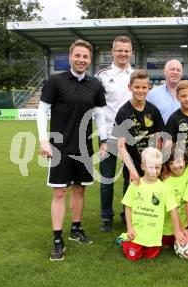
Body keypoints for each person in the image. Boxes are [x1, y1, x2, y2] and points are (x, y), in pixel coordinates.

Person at [37, 39, 107, 261]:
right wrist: (42, 140)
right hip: (59, 147)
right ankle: (57, 239)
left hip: (84, 147)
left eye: (85, 57)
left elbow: (100, 115)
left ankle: (76, 229)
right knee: (59, 192)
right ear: (70, 57)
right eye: (78, 55)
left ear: (89, 60)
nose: (81, 59)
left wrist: (103, 140)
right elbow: (42, 112)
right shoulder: (55, 81)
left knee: (79, 189)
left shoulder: (95, 85)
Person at [117, 147, 186, 261]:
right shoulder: (135, 185)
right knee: (133, 257)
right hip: (136, 233)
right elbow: (128, 207)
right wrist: (129, 227)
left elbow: (173, 210)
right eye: (150, 167)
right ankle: (124, 240)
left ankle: (144, 245)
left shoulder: (164, 188)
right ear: (143, 166)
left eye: (157, 167)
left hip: (154, 236)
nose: (154, 170)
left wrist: (177, 231)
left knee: (150, 256)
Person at [95, 36, 134, 232]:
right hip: (108, 138)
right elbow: (98, 110)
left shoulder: (136, 75)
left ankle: (126, 215)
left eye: (127, 50)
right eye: (119, 50)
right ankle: (106, 217)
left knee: (131, 179)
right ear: (112, 52)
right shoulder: (102, 75)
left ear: (131, 53)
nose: (123, 54)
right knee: (106, 181)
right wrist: (102, 138)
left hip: (132, 139)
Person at [113, 69, 164, 191]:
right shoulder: (123, 112)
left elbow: (159, 140)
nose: (140, 91)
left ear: (149, 87)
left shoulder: (154, 110)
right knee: (132, 196)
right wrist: (132, 169)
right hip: (132, 163)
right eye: (137, 87)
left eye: (144, 87)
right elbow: (121, 145)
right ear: (130, 87)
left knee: (152, 195)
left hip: (151, 163)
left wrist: (154, 162)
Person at [161, 146, 188, 249]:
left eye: (179, 161)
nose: (176, 166)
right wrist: (181, 230)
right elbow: (173, 208)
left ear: (185, 160)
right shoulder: (166, 181)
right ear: (167, 164)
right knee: (166, 246)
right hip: (170, 225)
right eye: (171, 163)